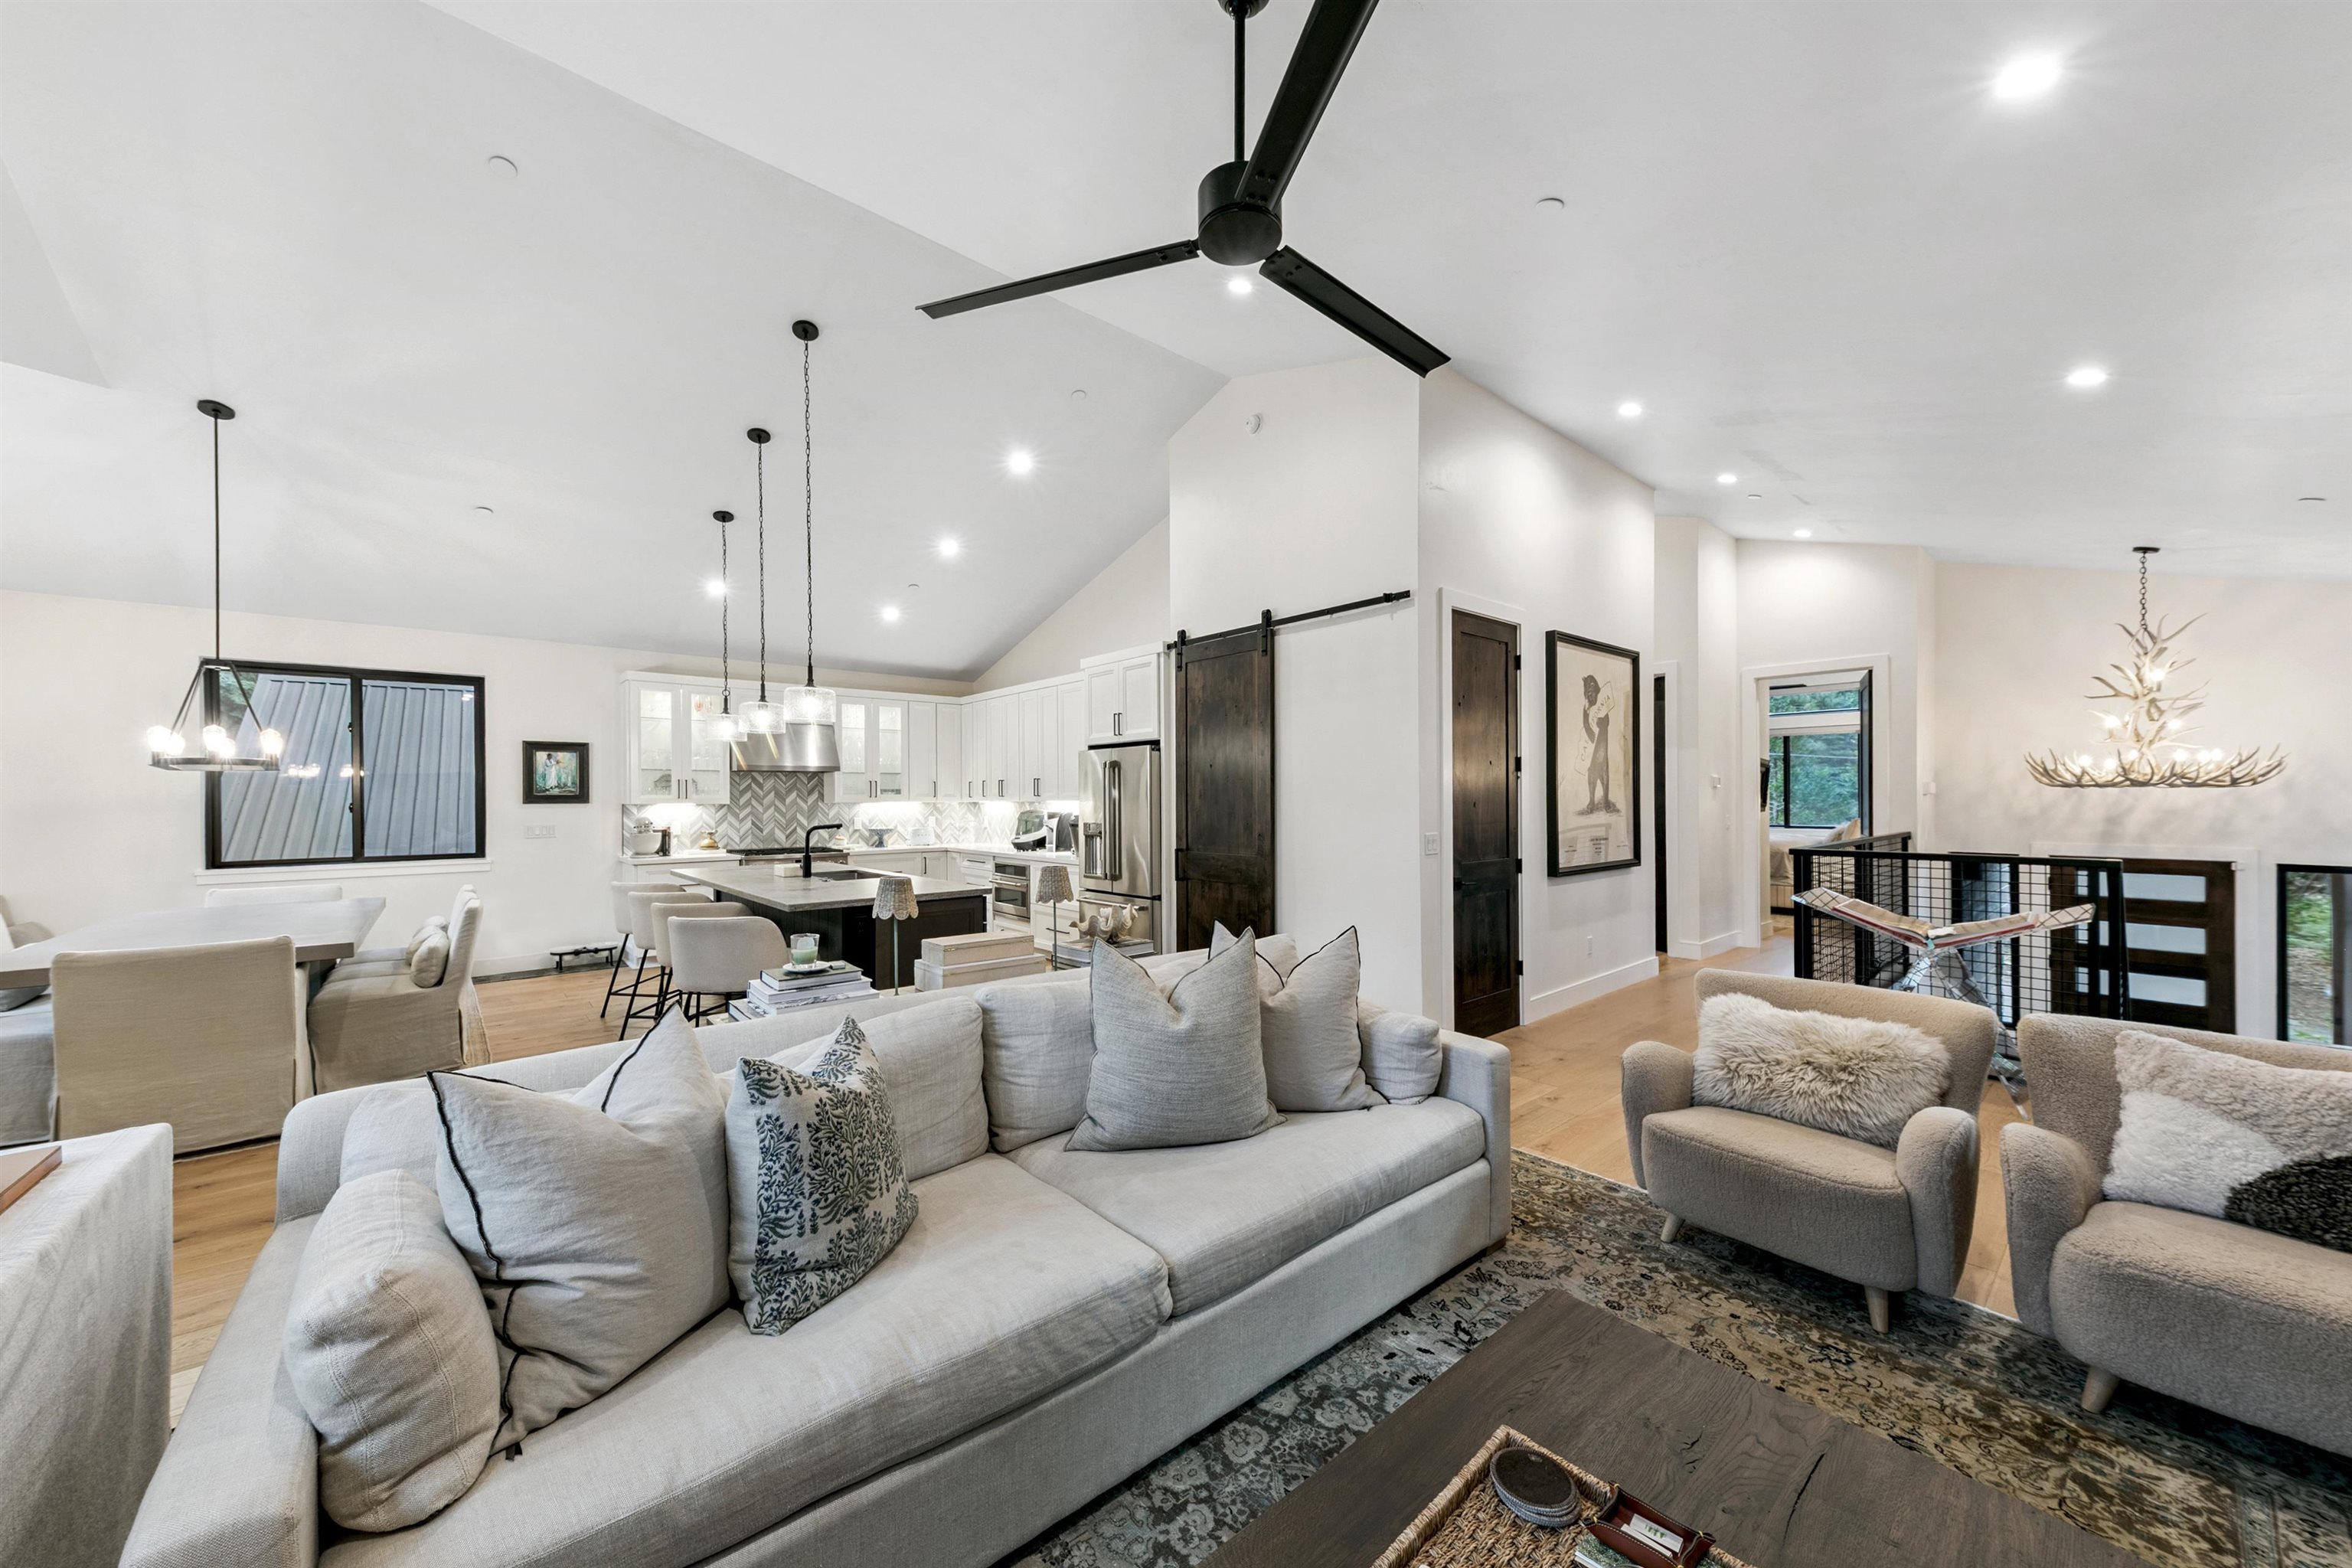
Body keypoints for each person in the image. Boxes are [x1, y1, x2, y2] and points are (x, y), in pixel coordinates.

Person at [1577, 672, 1619, 817]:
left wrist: (1602, 724)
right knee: (1592, 774)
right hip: (1591, 751)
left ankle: (1606, 801)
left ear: (1597, 692)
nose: (1591, 696)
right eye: (1589, 693)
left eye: (1593, 693)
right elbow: (1585, 722)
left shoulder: (1602, 706)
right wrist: (1588, 729)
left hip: (1602, 747)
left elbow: (1606, 722)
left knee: (1605, 773)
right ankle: (1591, 801)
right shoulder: (1587, 708)